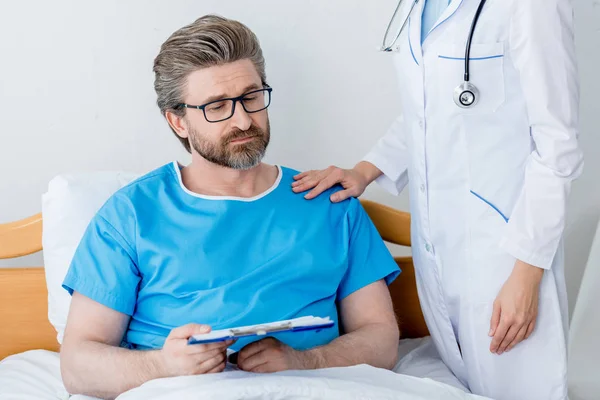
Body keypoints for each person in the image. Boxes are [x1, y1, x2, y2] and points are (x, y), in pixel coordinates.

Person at [59, 15, 400, 399]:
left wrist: (308, 362)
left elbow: (381, 337)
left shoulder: (330, 202)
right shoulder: (130, 215)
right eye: (217, 106)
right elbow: (77, 365)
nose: (243, 120)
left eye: (251, 97)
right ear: (178, 122)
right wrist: (164, 365)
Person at [291, 0, 583, 399]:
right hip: (436, 250)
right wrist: (365, 170)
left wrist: (527, 273)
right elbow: (426, 107)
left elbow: (558, 148)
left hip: (506, 255)